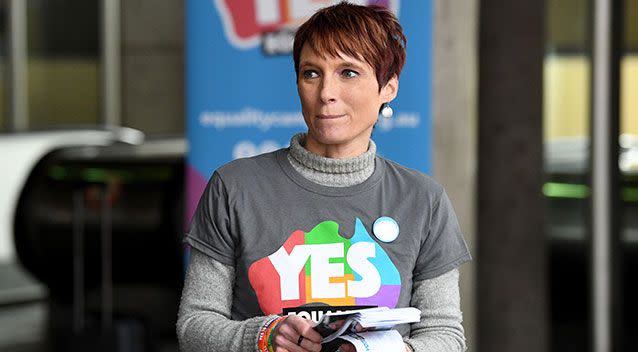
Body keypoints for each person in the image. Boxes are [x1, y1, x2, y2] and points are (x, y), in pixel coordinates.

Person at [177, 2, 471, 352]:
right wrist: (265, 336)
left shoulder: (423, 199)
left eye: (348, 72)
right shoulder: (234, 186)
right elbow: (194, 324)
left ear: (388, 87)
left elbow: (446, 334)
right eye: (311, 73)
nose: (326, 92)